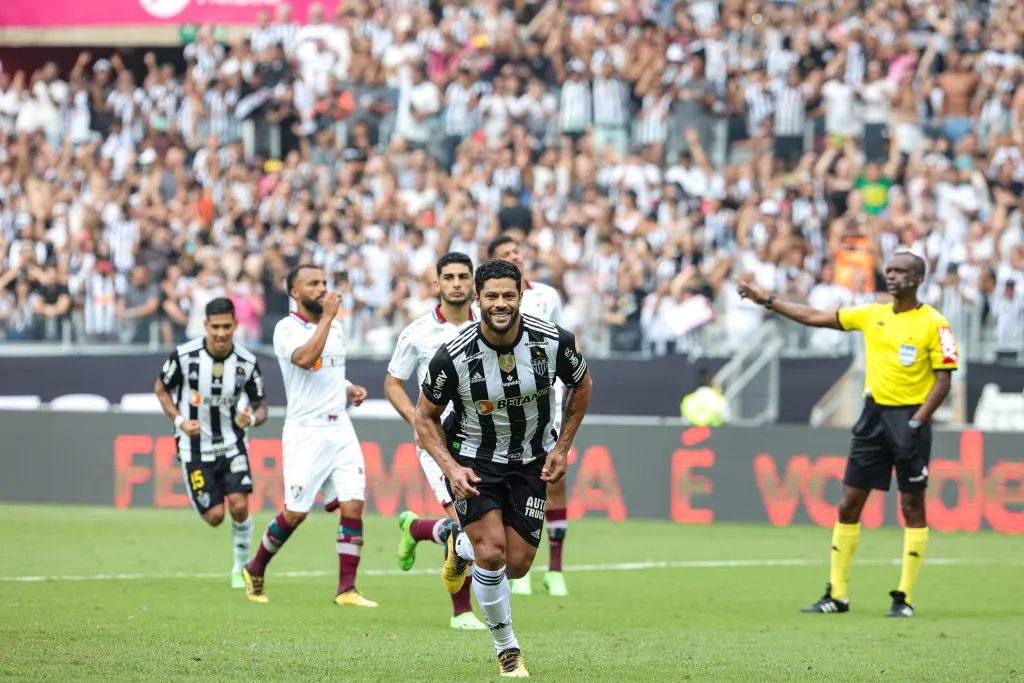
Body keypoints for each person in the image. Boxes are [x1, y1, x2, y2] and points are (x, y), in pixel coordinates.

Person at [737, 250, 958, 618]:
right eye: (888, 270)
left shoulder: (935, 324)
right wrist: (769, 301)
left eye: (901, 271)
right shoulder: (872, 314)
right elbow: (816, 317)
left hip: (911, 419)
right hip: (872, 418)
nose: (891, 276)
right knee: (848, 504)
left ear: (918, 279)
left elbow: (944, 378)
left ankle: (904, 597)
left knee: (911, 506)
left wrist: (918, 422)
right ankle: (837, 595)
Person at [415, 259, 592, 677]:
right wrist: (450, 468)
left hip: (532, 459)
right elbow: (424, 418)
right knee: (492, 554)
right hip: (473, 460)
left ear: (520, 297)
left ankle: (459, 546)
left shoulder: (553, 342)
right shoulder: (453, 356)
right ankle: (507, 648)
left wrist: (563, 446)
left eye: (508, 295)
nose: (500, 303)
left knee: (517, 565)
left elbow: (582, 385)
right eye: (491, 296)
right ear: (477, 300)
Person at [241, 264, 377, 608]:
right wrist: (327, 319)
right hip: (306, 431)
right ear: (295, 292)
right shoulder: (286, 329)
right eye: (313, 284)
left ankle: (347, 588)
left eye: (324, 283)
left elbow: (329, 374)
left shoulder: (337, 327)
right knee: (295, 513)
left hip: (340, 427)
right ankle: (255, 567)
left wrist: (349, 389)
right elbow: (304, 359)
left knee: (353, 504)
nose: (321, 289)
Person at [385, 252, 487, 630]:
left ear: (473, 284)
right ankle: (461, 611)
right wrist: (416, 418)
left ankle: (417, 529)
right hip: (438, 443)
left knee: (483, 528)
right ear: (437, 285)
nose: (457, 283)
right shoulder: (417, 333)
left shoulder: (491, 327)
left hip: (482, 439)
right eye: (449, 277)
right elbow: (393, 382)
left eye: (463, 276)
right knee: (468, 525)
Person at [153, 297, 269, 589]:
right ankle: (234, 552)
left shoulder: (246, 362)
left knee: (240, 506)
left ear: (235, 325)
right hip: (194, 449)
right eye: (215, 326)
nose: (220, 333)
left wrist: (251, 419)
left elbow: (261, 407)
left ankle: (241, 568)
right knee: (216, 516)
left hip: (232, 444)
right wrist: (180, 421)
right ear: (205, 325)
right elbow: (161, 389)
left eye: (226, 326)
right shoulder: (183, 356)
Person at [486, 235, 569, 597]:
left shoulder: (547, 296)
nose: (514, 257)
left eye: (517, 253)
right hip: (502, 401)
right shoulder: (489, 299)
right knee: (505, 474)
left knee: (555, 478)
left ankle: (556, 567)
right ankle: (518, 558)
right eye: (505, 255)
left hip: (546, 397)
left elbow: (567, 345)